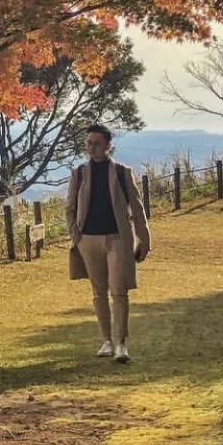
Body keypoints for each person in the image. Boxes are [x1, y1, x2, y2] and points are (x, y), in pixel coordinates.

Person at [65, 124, 151, 362]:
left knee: (119, 290)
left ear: (108, 146)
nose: (92, 148)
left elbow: (137, 207)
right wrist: (76, 235)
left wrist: (144, 237)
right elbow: (70, 208)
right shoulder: (79, 173)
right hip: (88, 240)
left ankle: (121, 344)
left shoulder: (123, 173)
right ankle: (106, 341)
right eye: (88, 143)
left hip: (117, 239)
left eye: (97, 143)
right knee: (98, 292)